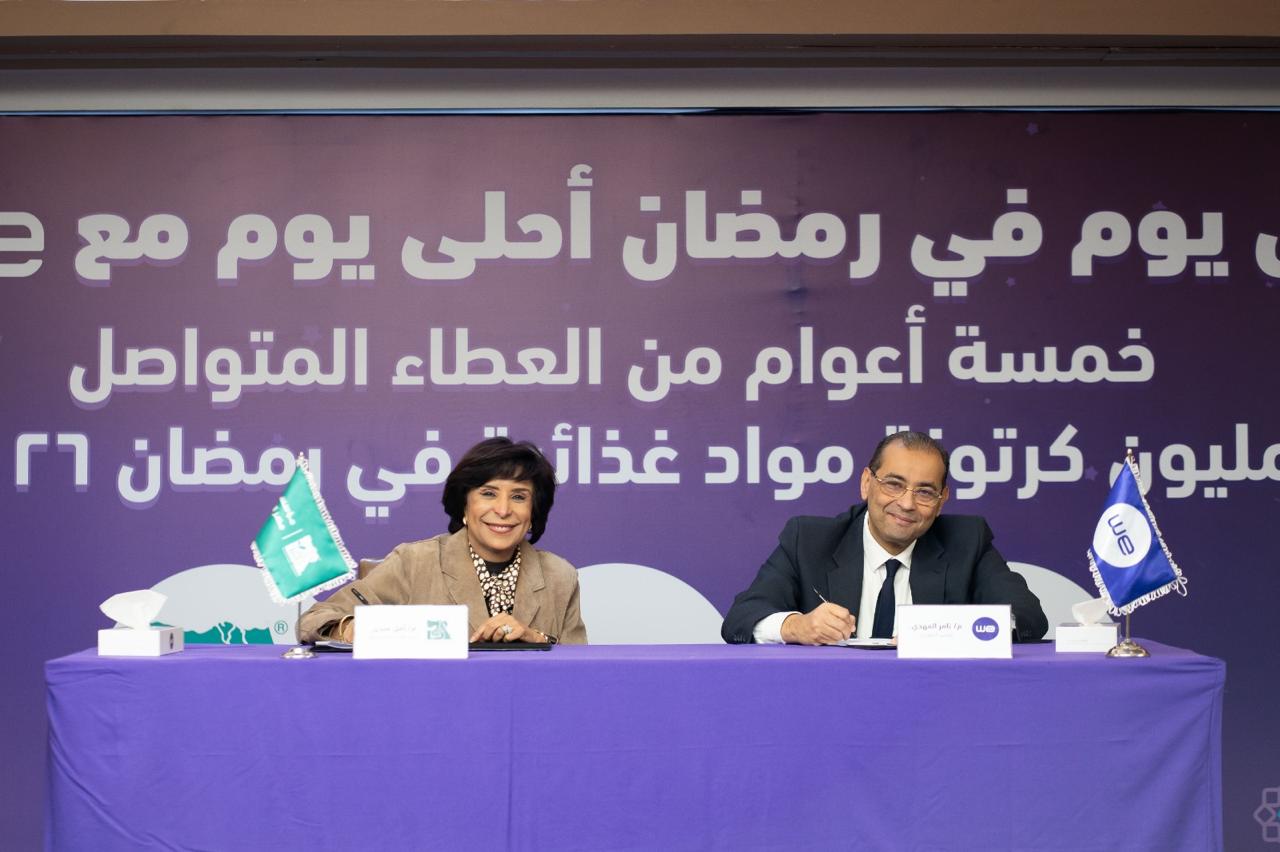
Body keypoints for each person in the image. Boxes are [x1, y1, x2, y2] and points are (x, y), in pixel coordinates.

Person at [721, 430, 1047, 645]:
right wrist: (798, 626)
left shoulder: (966, 541)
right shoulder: (808, 540)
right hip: (831, 700)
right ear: (867, 483)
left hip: (934, 700)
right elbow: (741, 619)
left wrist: (943, 633)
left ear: (942, 500)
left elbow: (1028, 617)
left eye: (925, 492)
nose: (906, 503)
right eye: (893, 484)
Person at [298, 437, 587, 645]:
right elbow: (315, 619)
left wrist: (538, 639)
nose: (503, 510)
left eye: (519, 497)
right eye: (488, 493)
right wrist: (351, 630)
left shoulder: (559, 576)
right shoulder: (413, 563)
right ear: (464, 506)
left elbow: (582, 670)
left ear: (533, 512)